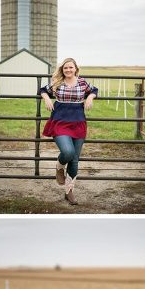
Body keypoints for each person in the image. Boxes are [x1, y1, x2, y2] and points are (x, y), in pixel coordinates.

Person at [39, 58, 98, 206]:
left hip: (78, 122)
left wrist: (90, 97)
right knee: (68, 152)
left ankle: (69, 191)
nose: (68, 70)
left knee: (75, 159)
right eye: (65, 68)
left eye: (71, 68)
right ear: (62, 69)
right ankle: (59, 166)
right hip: (60, 121)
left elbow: (94, 90)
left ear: (76, 69)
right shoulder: (57, 81)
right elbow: (42, 90)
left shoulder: (82, 82)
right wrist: (46, 98)